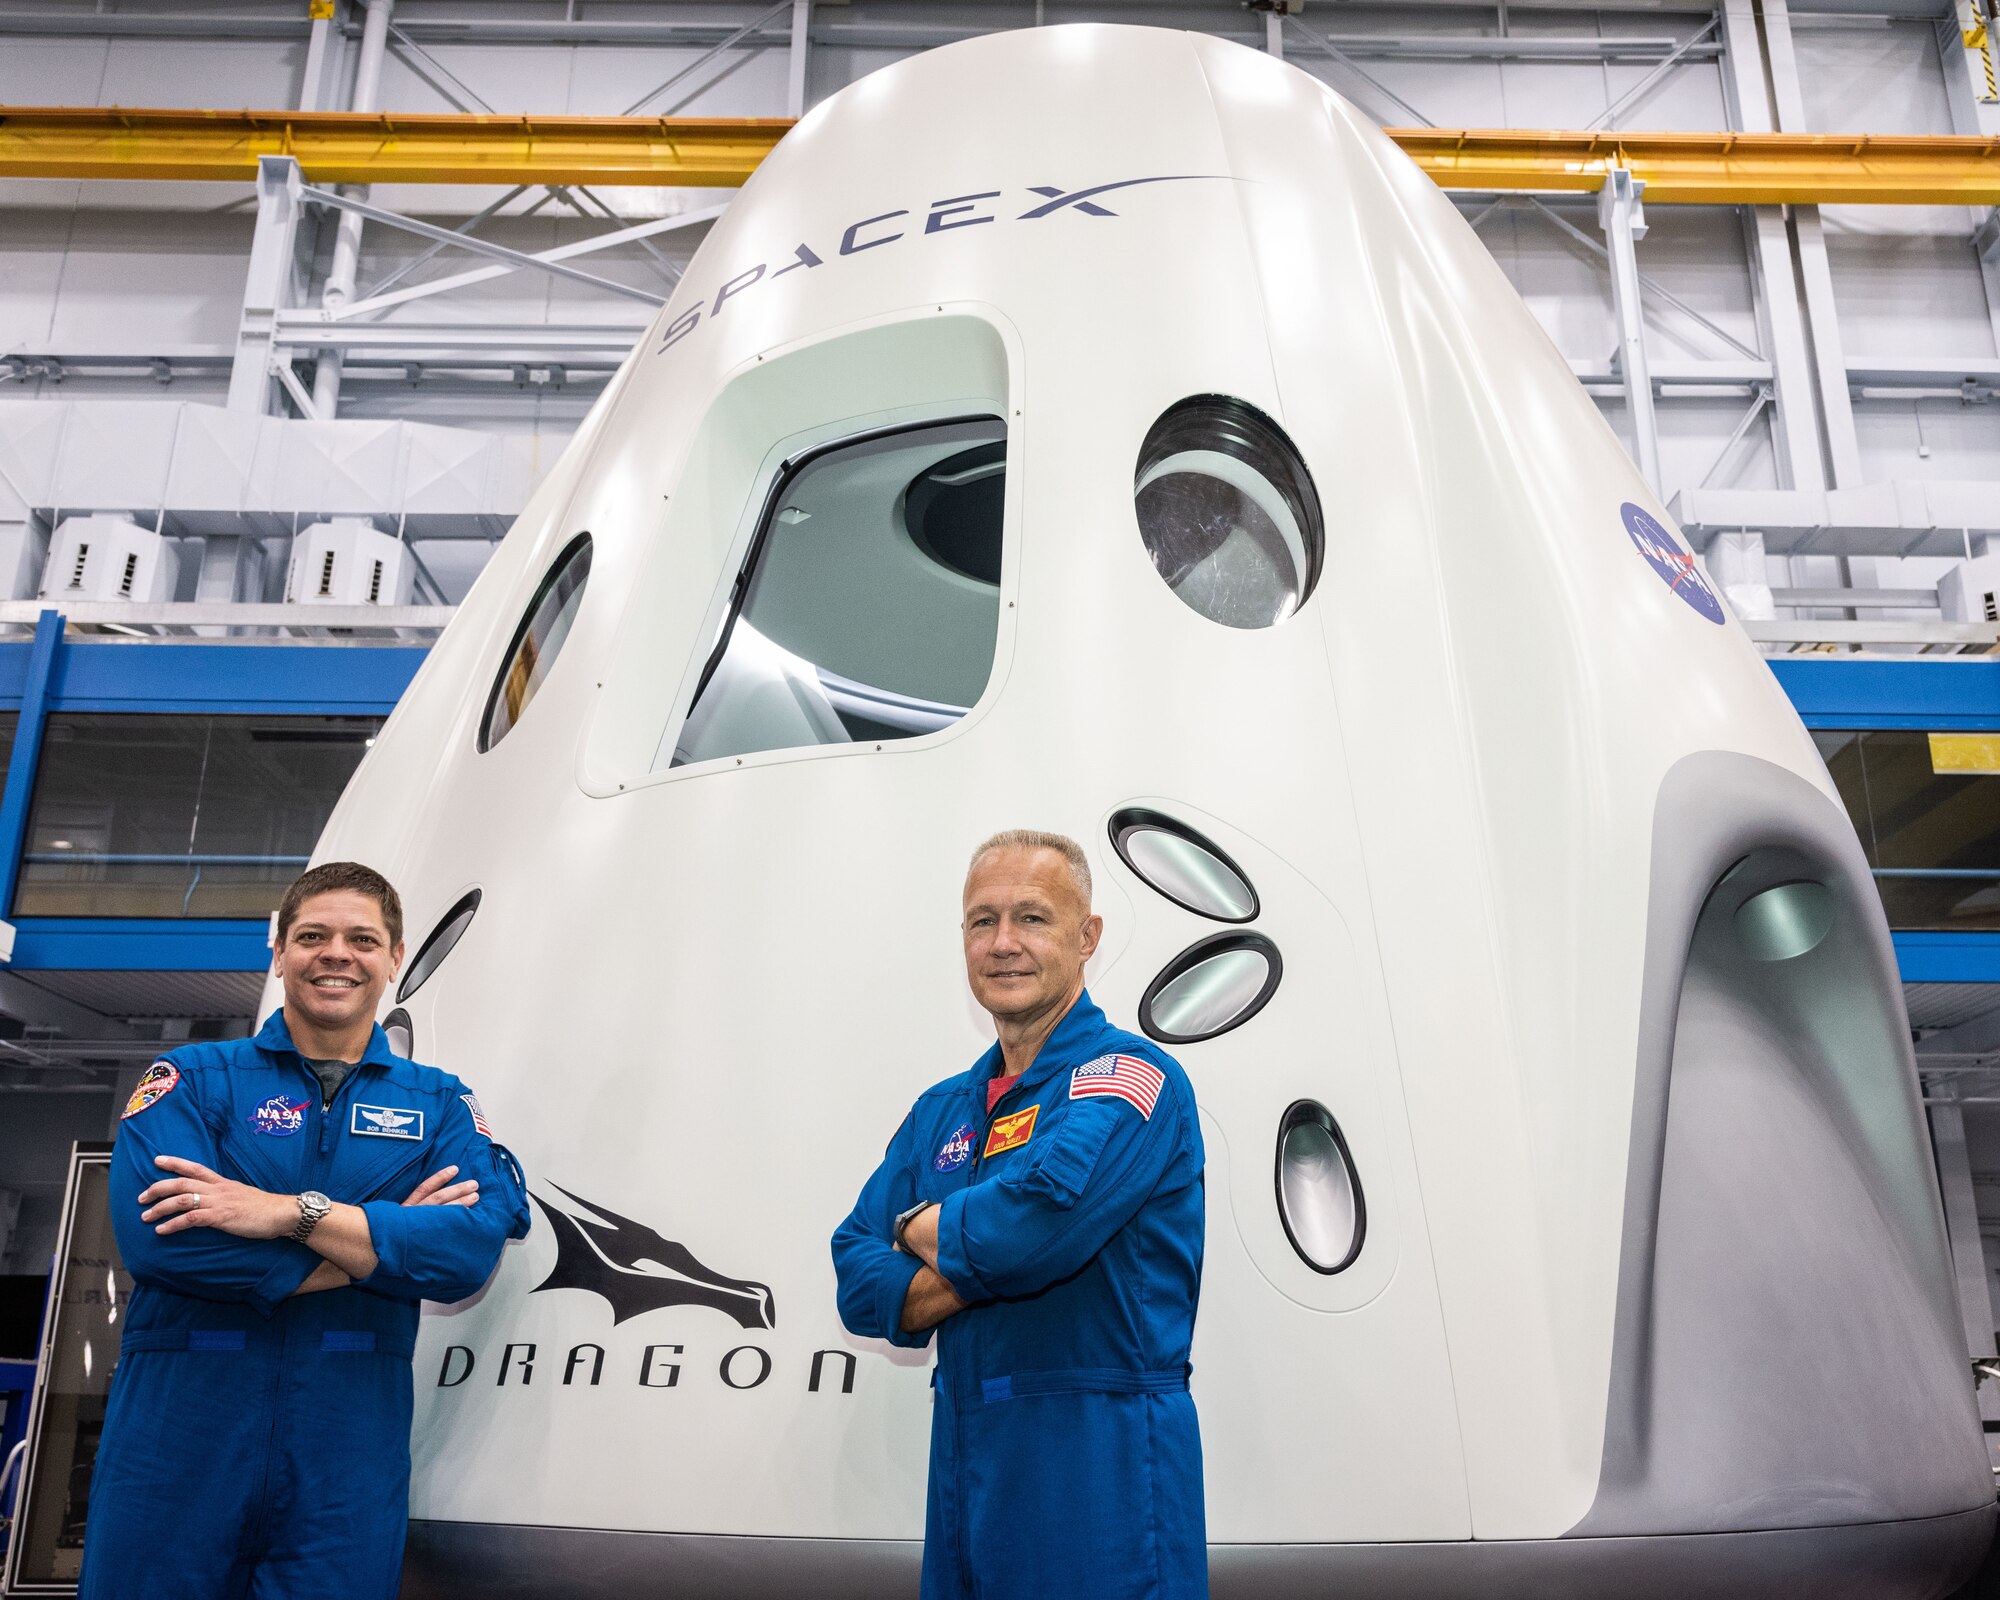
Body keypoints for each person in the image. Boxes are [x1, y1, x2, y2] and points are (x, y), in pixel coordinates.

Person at [79, 861, 531, 1600]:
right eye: (313, 936)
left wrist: (289, 1213)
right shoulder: (193, 1081)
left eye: (362, 938)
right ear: (280, 951)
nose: (336, 954)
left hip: (345, 1453)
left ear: (394, 957)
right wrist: (386, 1247)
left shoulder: (441, 1106)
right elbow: (163, 1240)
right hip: (179, 1441)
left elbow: (466, 1253)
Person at [833, 830, 1208, 1600]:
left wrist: (912, 1226)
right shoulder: (942, 1110)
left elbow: (1031, 1233)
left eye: (1032, 918)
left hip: (1099, 1473)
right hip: (966, 1473)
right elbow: (854, 1274)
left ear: (1087, 938)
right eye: (982, 921)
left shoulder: (1132, 1081)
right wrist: (984, 1251)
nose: (1003, 944)